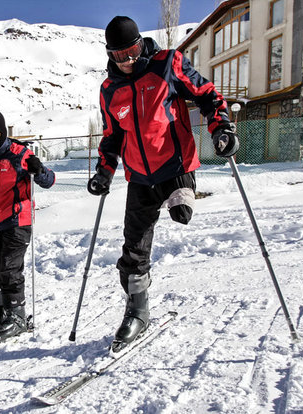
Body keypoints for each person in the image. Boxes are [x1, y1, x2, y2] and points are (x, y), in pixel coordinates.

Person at [88, 16, 239, 349]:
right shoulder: (109, 90)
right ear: (109, 55)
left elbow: (207, 95)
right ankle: (138, 311)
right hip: (140, 177)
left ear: (140, 43)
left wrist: (222, 128)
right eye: (118, 55)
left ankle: (184, 195)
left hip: (176, 165)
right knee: (132, 252)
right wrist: (103, 172)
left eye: (130, 51)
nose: (126, 61)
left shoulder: (167, 64)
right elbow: (112, 137)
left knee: (181, 212)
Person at [0, 109, 55, 346]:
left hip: (17, 221)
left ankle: (16, 315)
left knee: (9, 269)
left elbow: (48, 181)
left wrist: (39, 170)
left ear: (3, 132)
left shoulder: (19, 154)